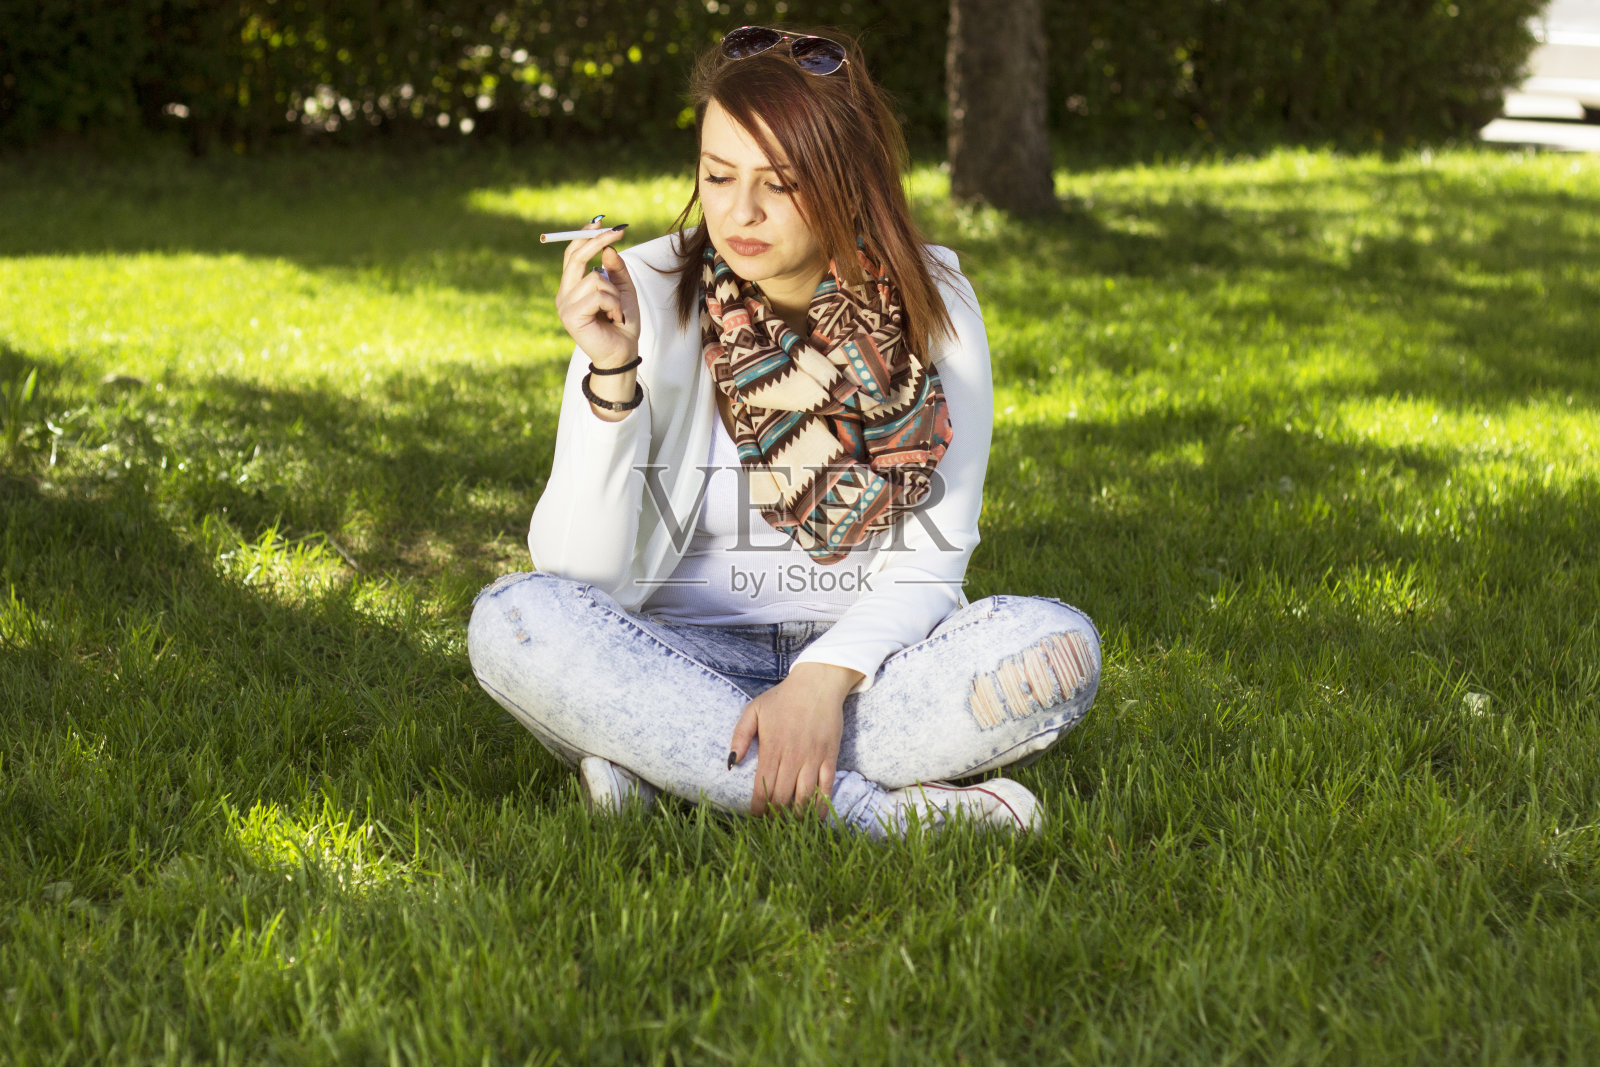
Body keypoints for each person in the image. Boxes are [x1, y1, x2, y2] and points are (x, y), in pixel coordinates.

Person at [467, 26, 1100, 838]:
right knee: (516, 618)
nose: (740, 212)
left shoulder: (934, 299)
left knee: (1057, 644)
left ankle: (669, 763)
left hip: (868, 669)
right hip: (671, 653)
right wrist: (612, 372)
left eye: (781, 182)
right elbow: (575, 573)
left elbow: (932, 565)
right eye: (718, 175)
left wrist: (818, 680)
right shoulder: (646, 292)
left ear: (848, 180)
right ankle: (875, 813)